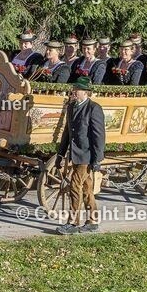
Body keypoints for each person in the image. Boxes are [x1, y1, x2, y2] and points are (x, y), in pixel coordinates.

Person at [54, 76, 105, 235]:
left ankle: (73, 222)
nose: (74, 92)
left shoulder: (94, 108)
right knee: (86, 187)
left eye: (77, 90)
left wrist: (97, 159)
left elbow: (99, 136)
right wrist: (60, 154)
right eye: (73, 89)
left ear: (86, 93)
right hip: (74, 154)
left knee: (75, 186)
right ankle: (93, 220)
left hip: (87, 155)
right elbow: (67, 133)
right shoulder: (71, 107)